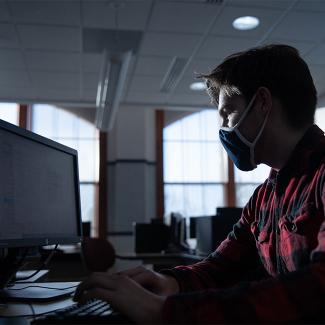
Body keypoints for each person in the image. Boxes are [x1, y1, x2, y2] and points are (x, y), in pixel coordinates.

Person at [74, 44, 325, 323]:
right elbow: (222, 267)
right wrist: (169, 282)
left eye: (228, 113)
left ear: (263, 103)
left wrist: (163, 312)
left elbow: (318, 288)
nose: (225, 128)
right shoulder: (263, 199)